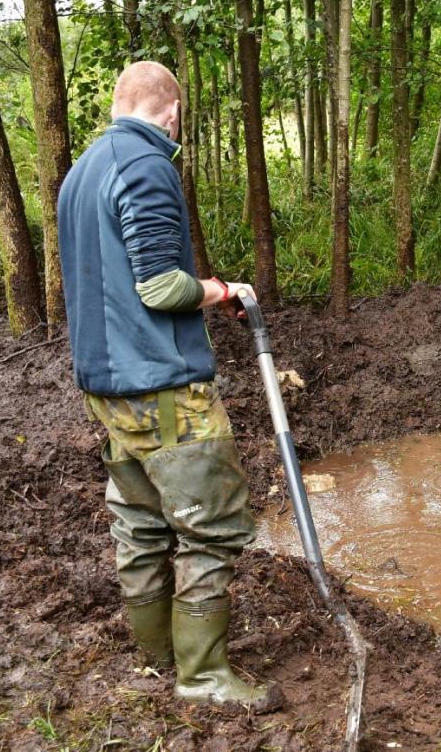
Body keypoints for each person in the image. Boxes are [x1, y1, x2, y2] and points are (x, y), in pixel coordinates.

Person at [57, 62, 280, 711]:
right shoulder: (148, 165)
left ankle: (158, 656)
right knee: (211, 528)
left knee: (142, 527)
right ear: (173, 114)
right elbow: (160, 286)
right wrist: (221, 288)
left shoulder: (81, 172)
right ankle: (202, 675)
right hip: (161, 388)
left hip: (109, 389)